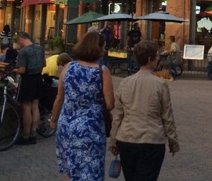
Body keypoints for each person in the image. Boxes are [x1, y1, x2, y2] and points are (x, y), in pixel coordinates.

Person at [109, 41, 179, 181]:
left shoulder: (125, 82)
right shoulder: (160, 84)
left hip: (127, 138)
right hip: (151, 139)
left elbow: (118, 116)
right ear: (149, 59)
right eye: (157, 56)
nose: (158, 59)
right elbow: (167, 116)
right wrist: (173, 141)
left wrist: (113, 140)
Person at [49, 31, 114, 181]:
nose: (104, 51)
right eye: (103, 47)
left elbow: (59, 98)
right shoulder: (102, 71)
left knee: (71, 171)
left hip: (66, 127)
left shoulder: (68, 67)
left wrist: (53, 120)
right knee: (91, 170)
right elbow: (110, 104)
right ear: (96, 49)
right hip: (90, 129)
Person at [13, 32, 45, 145]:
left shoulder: (23, 51)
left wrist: (14, 70)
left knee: (26, 107)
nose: (19, 43)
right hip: (38, 79)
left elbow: (22, 70)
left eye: (19, 41)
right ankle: (33, 134)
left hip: (27, 80)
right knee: (35, 106)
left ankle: (25, 135)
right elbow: (43, 64)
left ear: (21, 39)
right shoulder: (39, 48)